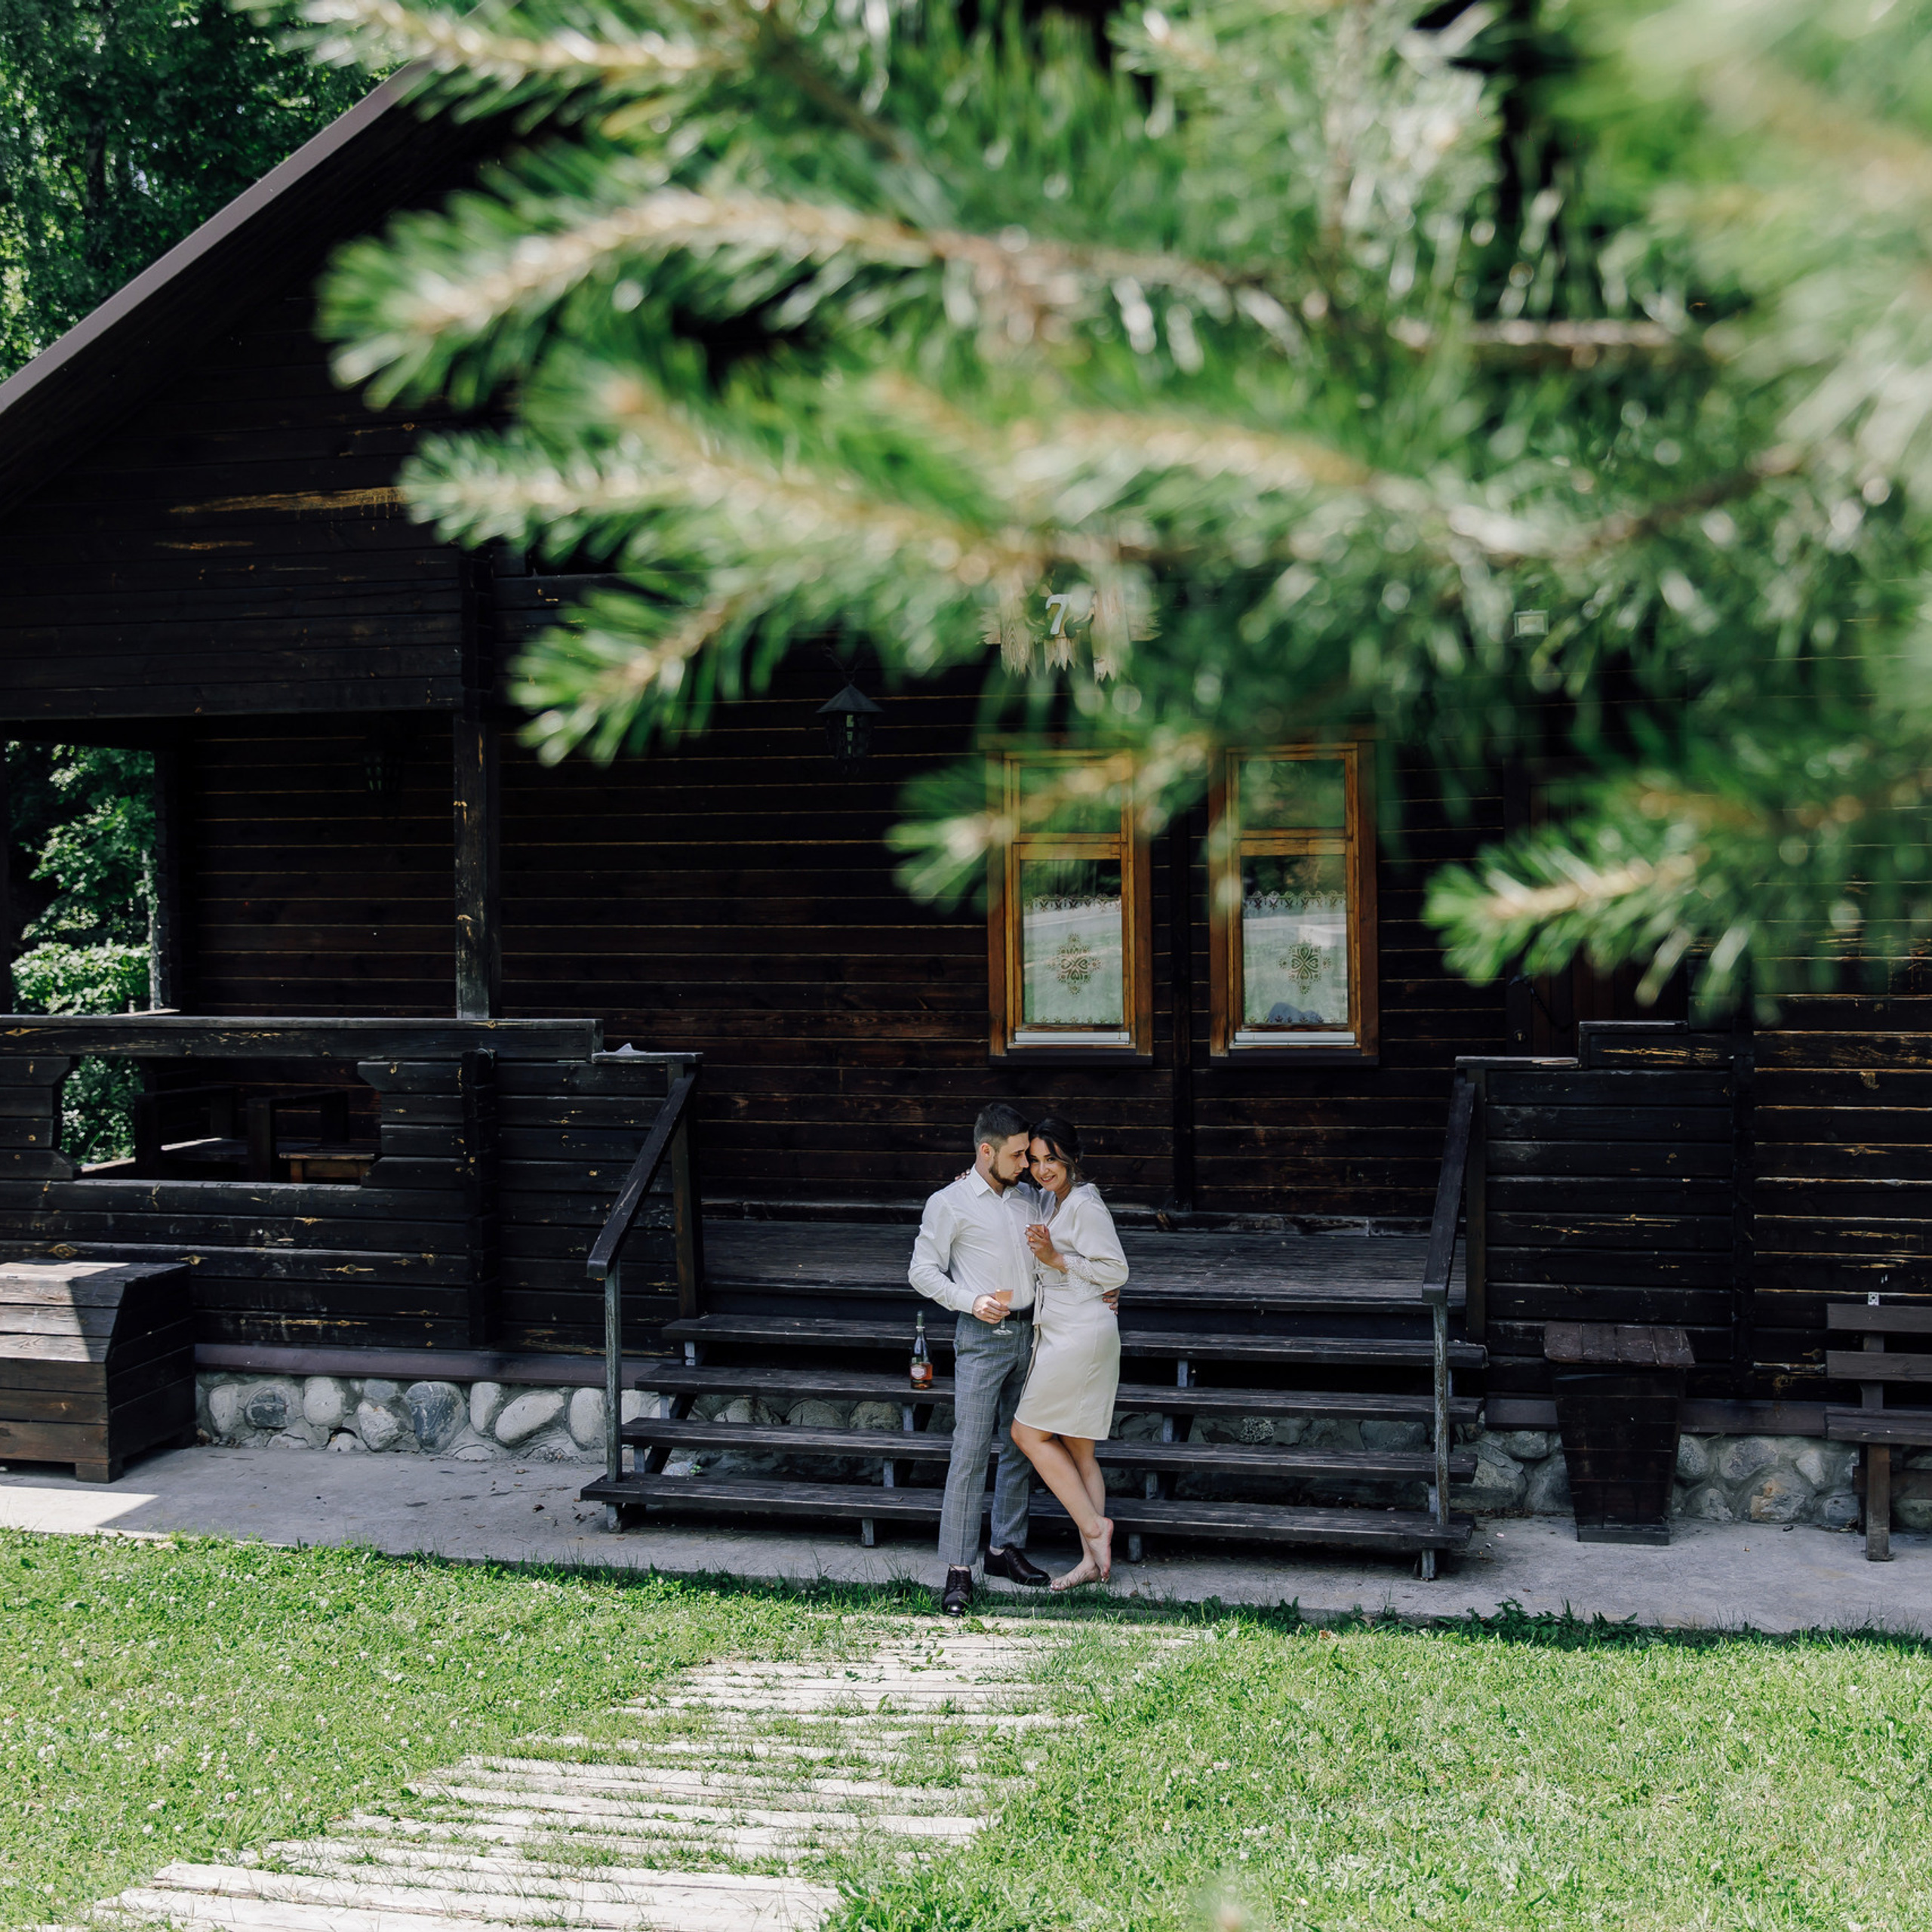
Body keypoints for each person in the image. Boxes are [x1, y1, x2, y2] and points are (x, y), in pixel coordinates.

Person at [908, 1102, 1052, 1616]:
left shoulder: (1031, 1199)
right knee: (969, 1451)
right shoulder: (948, 1203)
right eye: (1017, 1155)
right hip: (980, 1335)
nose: (1027, 1165)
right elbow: (922, 1272)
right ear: (985, 1151)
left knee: (1020, 1447)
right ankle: (959, 1568)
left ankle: (1003, 1549)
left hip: (1032, 1334)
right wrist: (970, 1302)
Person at [1011, 1116, 1128, 1590]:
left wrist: (1058, 1260)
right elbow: (1016, 1199)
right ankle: (1093, 1561)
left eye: (1051, 1159)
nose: (1041, 1169)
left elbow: (1116, 1270)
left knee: (1028, 1434)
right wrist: (967, 1181)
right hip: (1066, 1328)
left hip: (1081, 1333)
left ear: (1071, 1159)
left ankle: (1096, 1529)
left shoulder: (1083, 1204)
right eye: (1035, 1160)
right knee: (1080, 1448)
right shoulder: (1053, 1200)